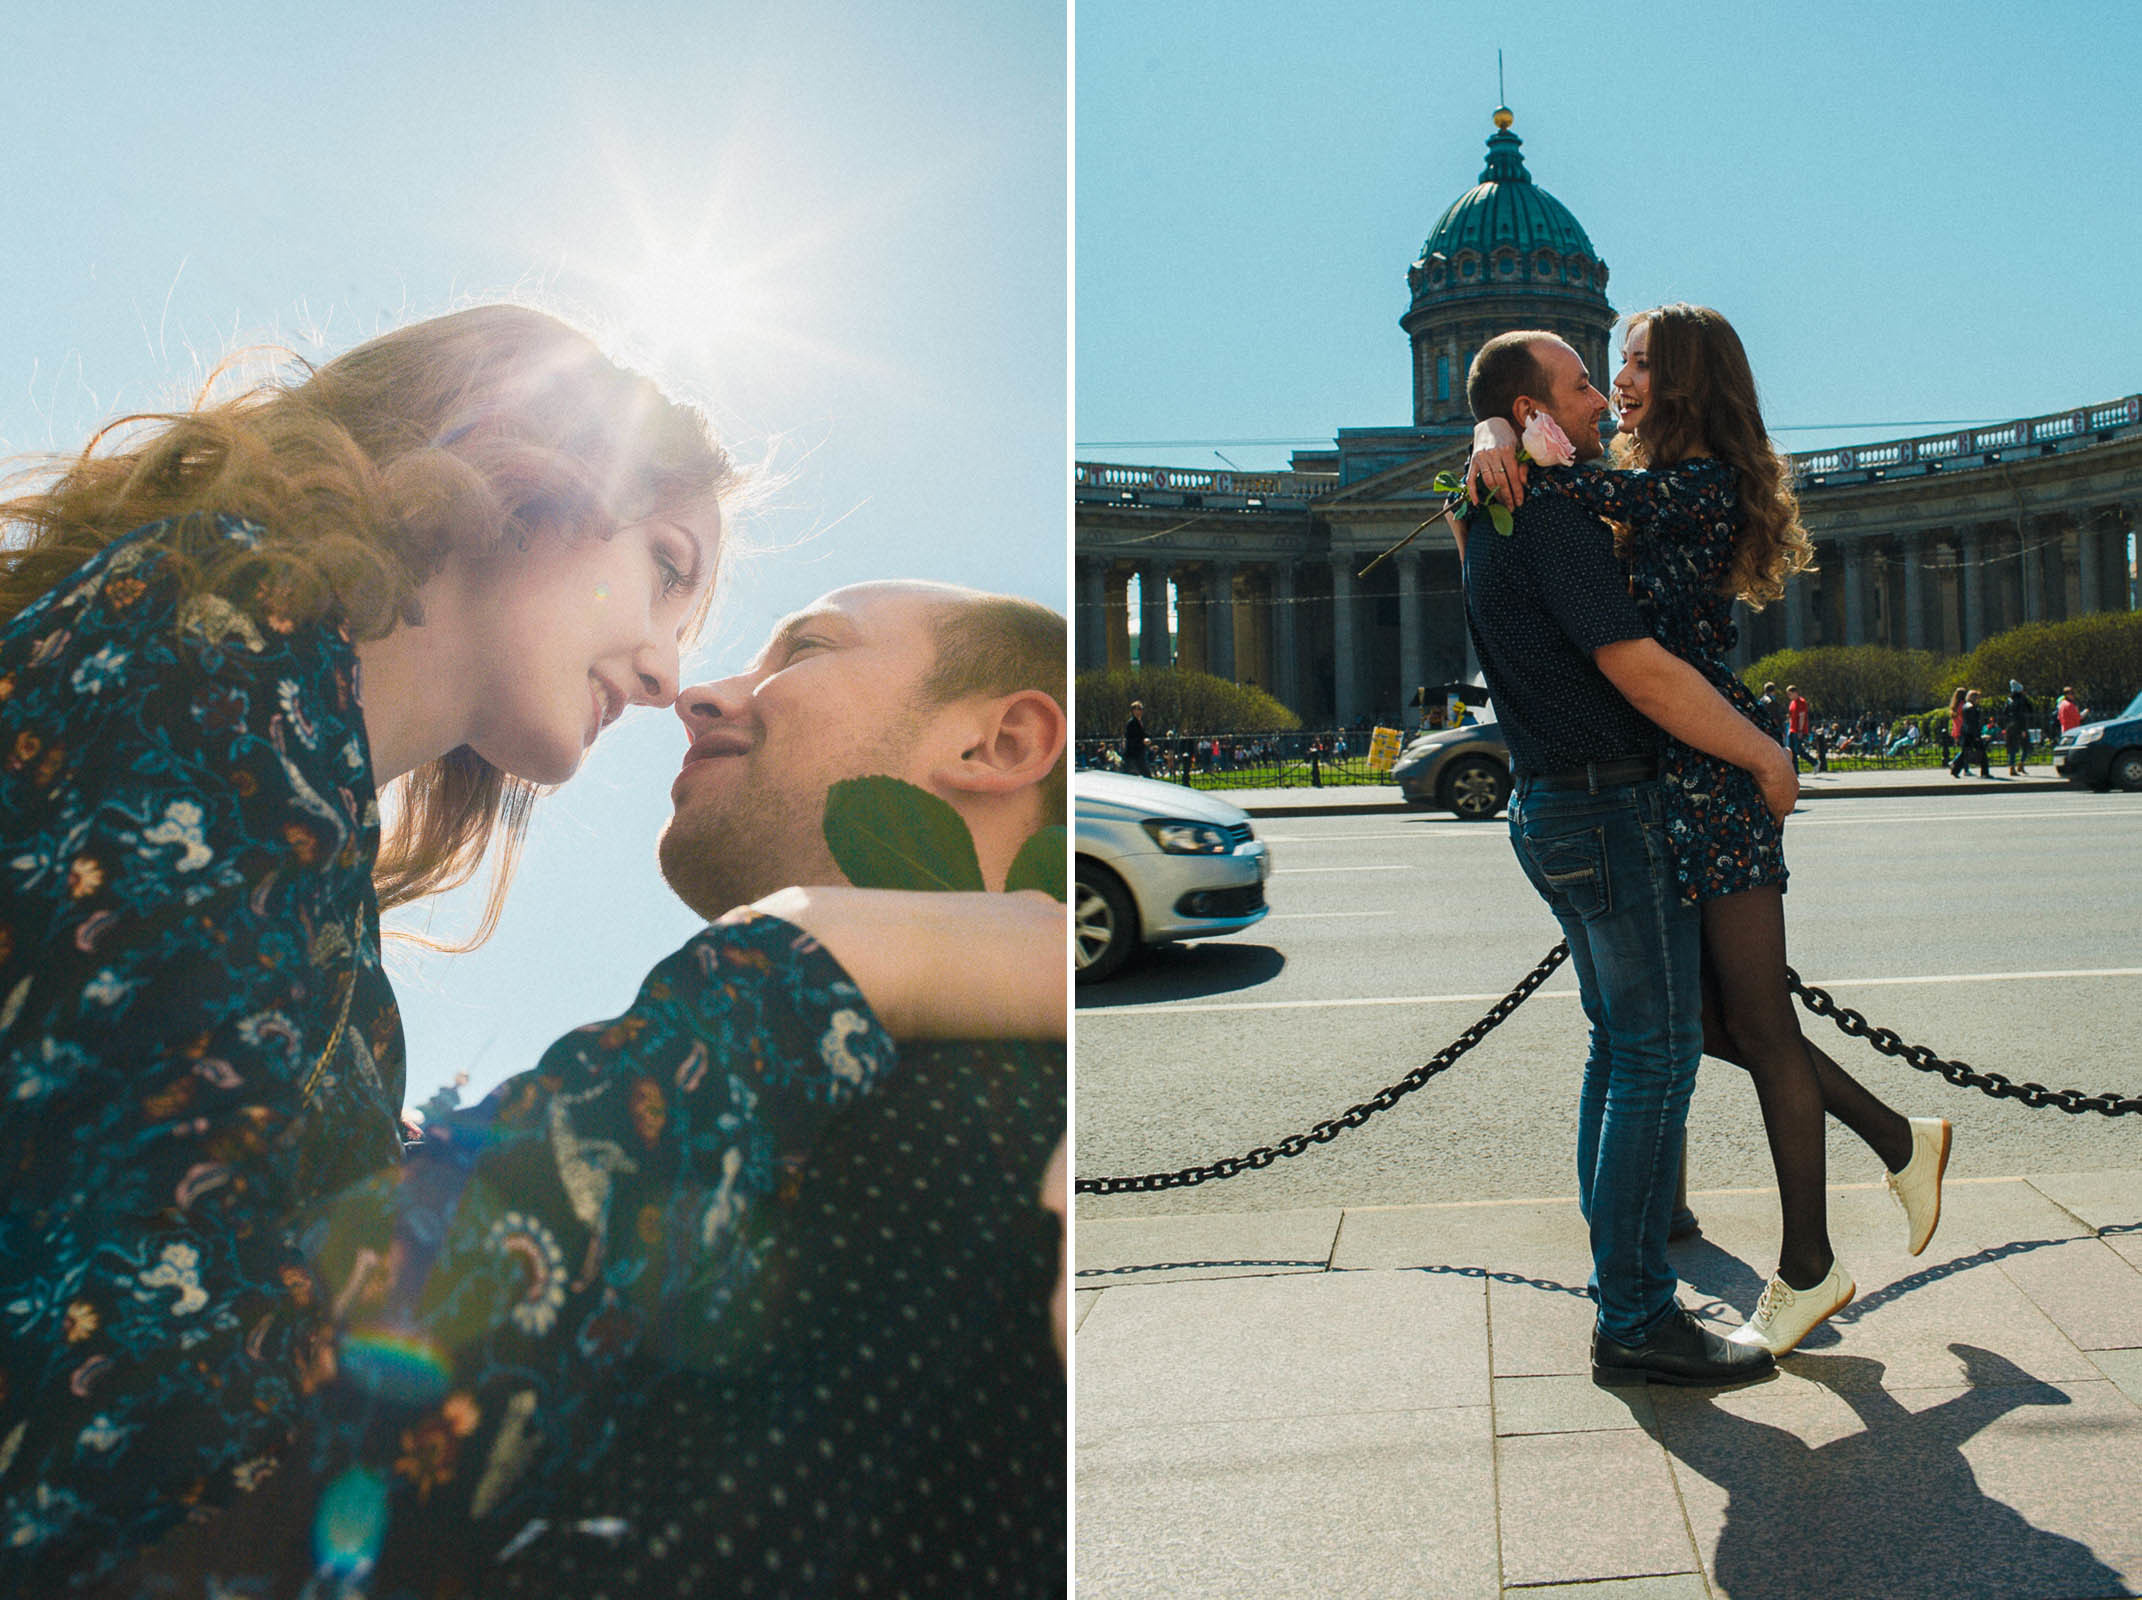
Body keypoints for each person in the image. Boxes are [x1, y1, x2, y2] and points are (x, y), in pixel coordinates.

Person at [0, 309, 1062, 1593]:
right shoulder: (199, 652)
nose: (673, 677)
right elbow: (185, 1445)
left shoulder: (264, 765)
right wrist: (810, 960)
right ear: (531, 465)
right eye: (666, 568)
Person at [490, 581, 1069, 1599]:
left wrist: (793, 955)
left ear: (1001, 744)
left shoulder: (1009, 1143)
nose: (696, 694)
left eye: (802, 651)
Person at [1469, 308, 1949, 1361]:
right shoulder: (1625, 480)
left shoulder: (1693, 485)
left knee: (1747, 1028)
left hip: (1714, 767)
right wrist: (1496, 432)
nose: (1617, 384)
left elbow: (1570, 497)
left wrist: (1504, 435)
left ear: (1685, 379)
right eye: (1606, 370)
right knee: (1700, 1027)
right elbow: (1551, 492)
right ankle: (1898, 1143)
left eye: (1636, 364)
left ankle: (1809, 1266)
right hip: (1672, 773)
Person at [1457, 329, 1789, 1390]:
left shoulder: (1485, 506)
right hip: (1606, 803)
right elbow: (1638, 668)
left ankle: (1624, 1276)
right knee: (1655, 1052)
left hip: (1548, 805)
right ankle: (1638, 1315)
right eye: (1582, 385)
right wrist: (1764, 753)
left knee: (1618, 1047)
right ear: (1534, 415)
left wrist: (1490, 432)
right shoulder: (1554, 517)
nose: (1603, 398)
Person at [1949, 687, 1993, 778]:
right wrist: (1977, 735)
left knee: (1965, 753)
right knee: (1981, 752)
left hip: (1967, 733)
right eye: (1978, 698)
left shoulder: (1966, 706)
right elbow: (1973, 723)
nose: (1979, 700)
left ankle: (1955, 769)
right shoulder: (1971, 708)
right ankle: (1985, 772)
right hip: (1971, 734)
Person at [2003, 679, 2034, 775]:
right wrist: (2023, 729)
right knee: (2026, 746)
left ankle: (2012, 767)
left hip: (2010, 726)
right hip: (2020, 725)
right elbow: (2026, 712)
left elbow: (2005, 713)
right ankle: (2021, 763)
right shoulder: (2022, 699)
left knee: (2012, 747)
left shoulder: (2008, 700)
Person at [1122, 698, 1151, 776]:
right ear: (1133, 711)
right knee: (1142, 775)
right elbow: (1131, 738)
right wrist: (1142, 741)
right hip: (1133, 754)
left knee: (1145, 774)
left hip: (1139, 753)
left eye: (1141, 709)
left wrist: (1147, 739)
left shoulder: (1140, 722)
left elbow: (1143, 734)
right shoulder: (1131, 723)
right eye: (1138, 709)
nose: (1141, 711)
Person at [1786, 685, 1810, 771]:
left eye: (1790, 694)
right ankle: (1795, 770)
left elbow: (1802, 717)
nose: (1789, 696)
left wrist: (1800, 730)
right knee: (1792, 751)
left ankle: (1814, 762)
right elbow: (1790, 716)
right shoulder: (1792, 702)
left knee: (1798, 750)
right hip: (1792, 729)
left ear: (1795, 693)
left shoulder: (1801, 702)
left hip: (1798, 730)